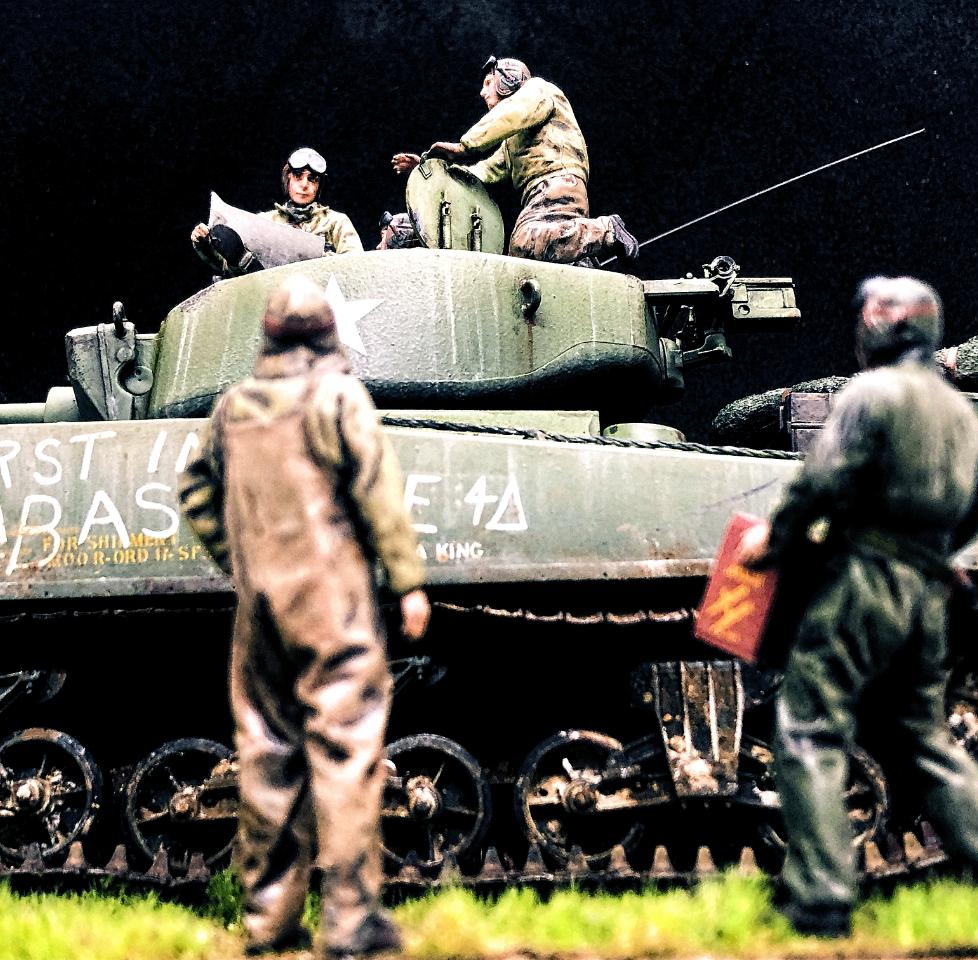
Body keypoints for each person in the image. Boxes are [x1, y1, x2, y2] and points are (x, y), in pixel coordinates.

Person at [737, 276, 978, 937]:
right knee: (925, 738)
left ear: (882, 328)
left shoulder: (870, 394)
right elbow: (974, 510)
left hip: (864, 577)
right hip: (927, 586)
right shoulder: (961, 413)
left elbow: (823, 479)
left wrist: (774, 540)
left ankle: (821, 899)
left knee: (809, 729)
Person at [179, 276, 429, 958]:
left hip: (260, 603)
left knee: (267, 754)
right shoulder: (337, 397)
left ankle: (269, 922)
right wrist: (407, 582)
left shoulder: (234, 406)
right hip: (331, 600)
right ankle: (349, 923)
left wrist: (239, 557)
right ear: (327, 336)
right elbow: (378, 491)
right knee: (346, 750)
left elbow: (194, 487)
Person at [390, 56, 638, 265]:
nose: (483, 92)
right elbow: (485, 171)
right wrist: (431, 170)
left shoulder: (538, 90)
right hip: (545, 191)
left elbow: (508, 115)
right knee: (540, 250)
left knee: (523, 243)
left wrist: (464, 146)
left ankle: (605, 231)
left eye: (489, 83)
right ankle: (582, 257)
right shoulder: (514, 140)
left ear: (507, 79)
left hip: (555, 184)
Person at [192, 147, 363, 277]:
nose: (304, 184)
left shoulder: (336, 222)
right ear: (288, 179)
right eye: (298, 176)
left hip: (321, 299)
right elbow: (230, 267)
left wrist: (322, 259)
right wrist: (205, 245)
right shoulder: (265, 222)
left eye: (312, 179)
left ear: (319, 185)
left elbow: (357, 267)